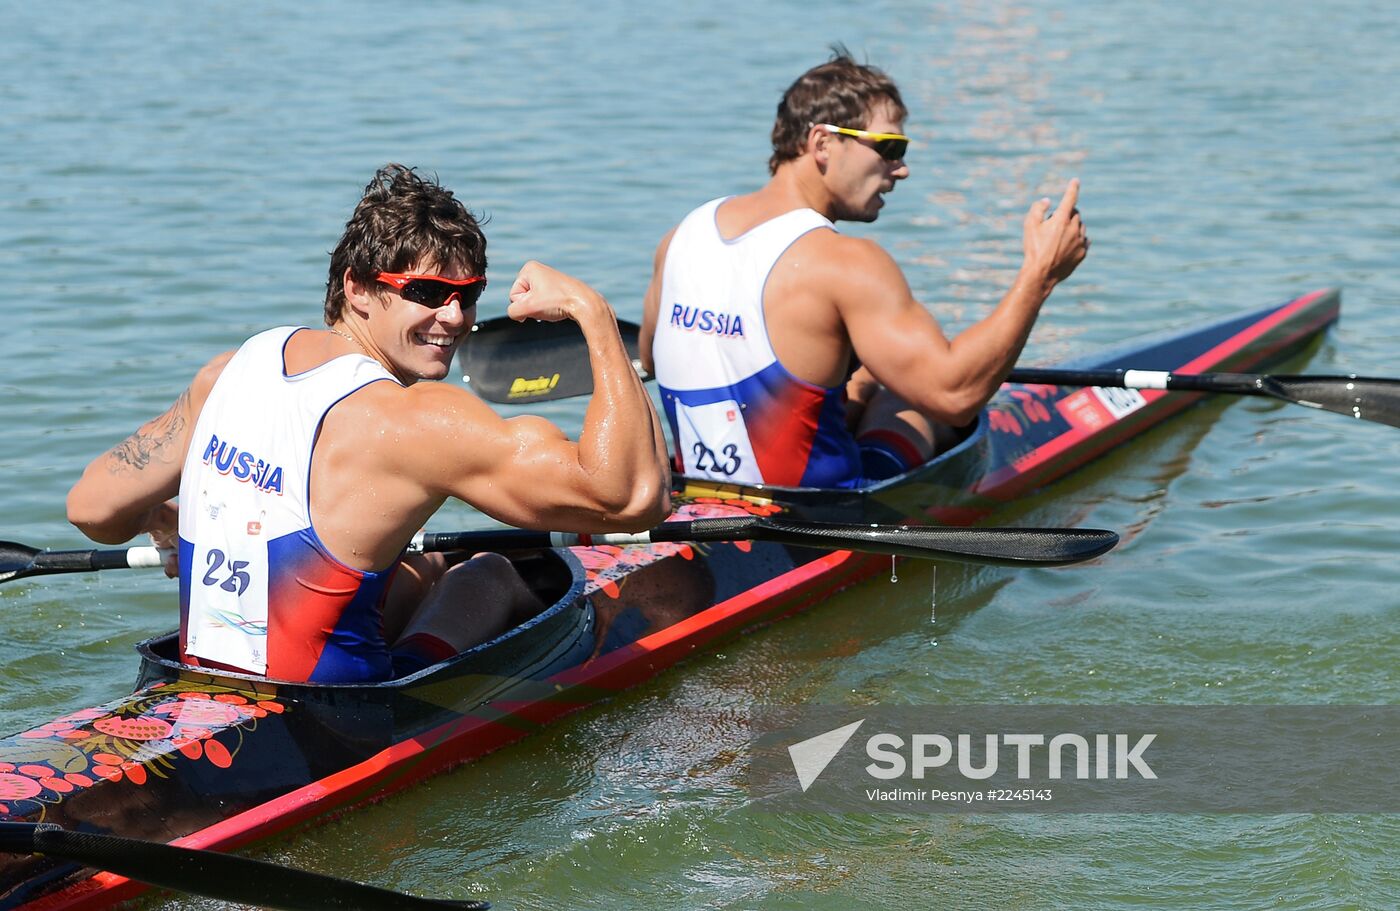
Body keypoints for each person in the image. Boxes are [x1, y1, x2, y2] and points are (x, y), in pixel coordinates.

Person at [67, 164, 671, 683]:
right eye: (428, 292)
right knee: (492, 573)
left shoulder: (227, 372)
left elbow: (92, 507)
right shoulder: (418, 422)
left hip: (200, 689)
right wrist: (593, 313)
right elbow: (633, 498)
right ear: (356, 288)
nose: (454, 317)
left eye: (469, 293)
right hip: (331, 721)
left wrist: (160, 516)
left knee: (430, 564)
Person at [640, 51, 1089, 488]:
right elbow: (954, 396)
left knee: (868, 371)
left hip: (697, 498)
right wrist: (1039, 276)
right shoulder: (847, 263)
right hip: (817, 520)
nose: (902, 169)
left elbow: (655, 359)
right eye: (889, 147)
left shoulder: (683, 234)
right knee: (916, 399)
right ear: (822, 144)